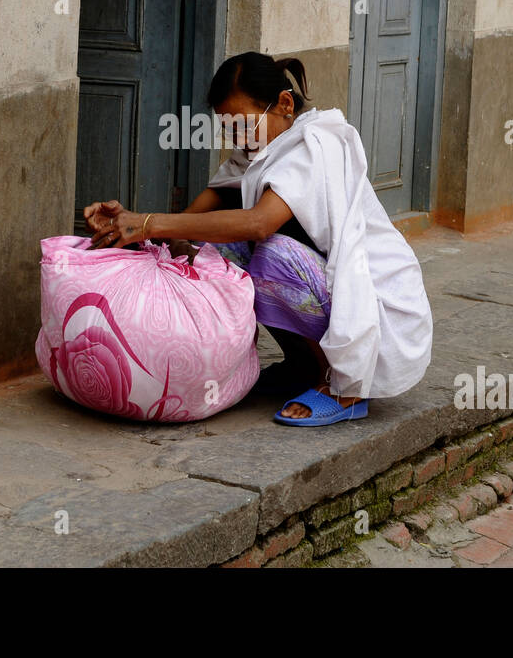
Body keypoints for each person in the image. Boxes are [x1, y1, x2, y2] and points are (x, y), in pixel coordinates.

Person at [82, 52, 433, 426]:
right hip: (331, 284)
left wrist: (149, 223)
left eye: (243, 125)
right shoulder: (259, 152)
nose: (237, 137)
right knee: (213, 252)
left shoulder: (314, 146)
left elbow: (258, 224)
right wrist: (135, 228)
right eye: (228, 128)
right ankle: (301, 365)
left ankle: (342, 388)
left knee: (274, 255)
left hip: (383, 308)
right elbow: (199, 214)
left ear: (284, 103)